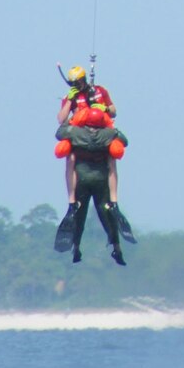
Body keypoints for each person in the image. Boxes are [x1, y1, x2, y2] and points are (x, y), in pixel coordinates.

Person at [57, 67, 130, 237]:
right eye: (74, 83)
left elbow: (114, 112)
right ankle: (72, 201)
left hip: (100, 131)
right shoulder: (71, 97)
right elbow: (61, 120)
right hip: (80, 133)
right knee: (71, 158)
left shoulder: (99, 91)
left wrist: (103, 108)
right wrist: (70, 100)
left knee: (112, 157)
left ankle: (114, 200)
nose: (78, 85)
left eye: (80, 81)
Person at [52, 114, 129, 265]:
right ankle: (116, 247)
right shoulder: (108, 134)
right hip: (101, 179)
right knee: (107, 214)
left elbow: (59, 133)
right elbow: (124, 141)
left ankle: (76, 246)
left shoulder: (74, 132)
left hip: (81, 178)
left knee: (79, 214)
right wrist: (110, 124)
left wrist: (72, 118)